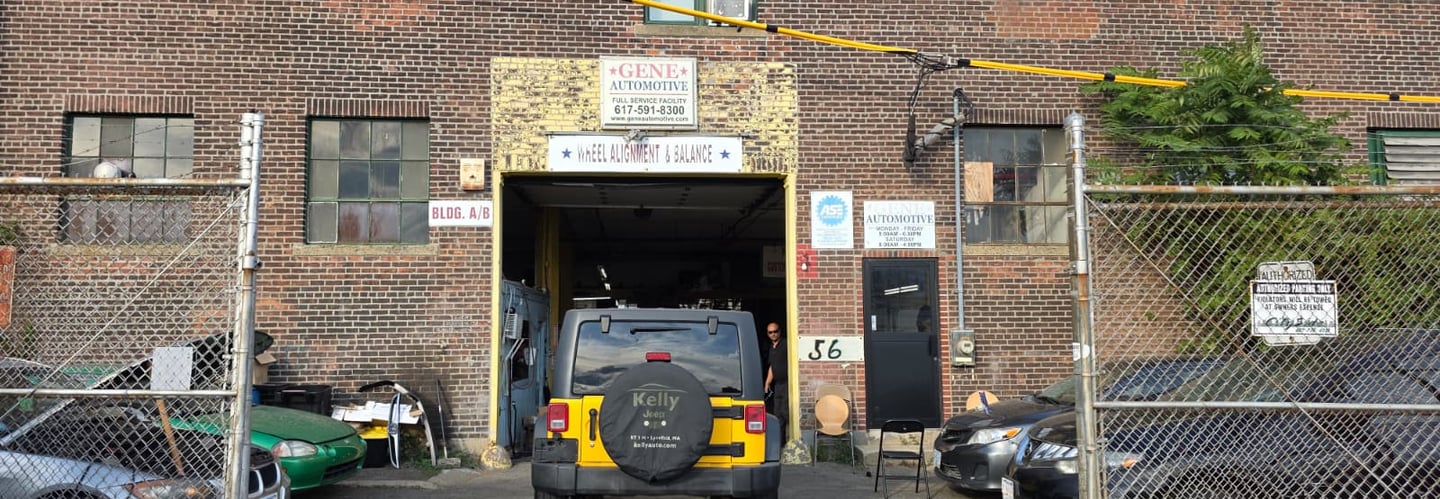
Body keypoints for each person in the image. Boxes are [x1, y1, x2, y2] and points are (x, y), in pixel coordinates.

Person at [763, 322, 788, 440]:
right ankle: (780, 440)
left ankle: (790, 438)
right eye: (770, 332)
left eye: (775, 331)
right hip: (778, 384)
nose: (773, 334)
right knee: (778, 412)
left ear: (780, 331)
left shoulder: (786, 344)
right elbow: (772, 366)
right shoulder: (772, 348)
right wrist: (767, 382)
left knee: (785, 411)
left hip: (788, 383)